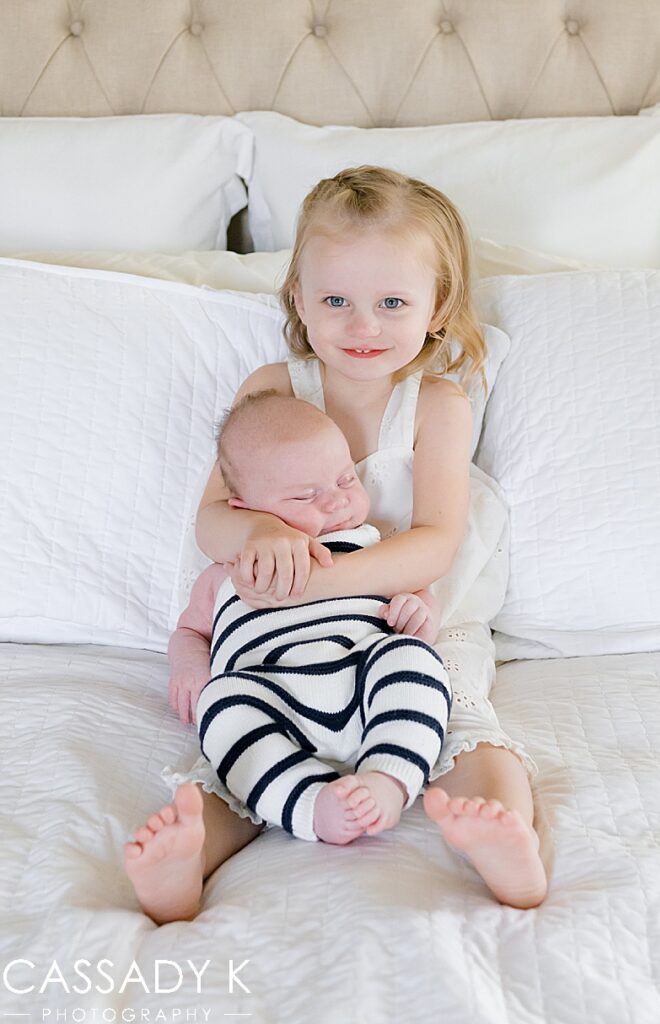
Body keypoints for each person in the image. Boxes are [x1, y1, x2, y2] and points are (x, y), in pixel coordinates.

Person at [124, 165, 548, 924]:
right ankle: (190, 854)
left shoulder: (436, 404)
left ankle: (504, 837)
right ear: (299, 301)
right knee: (236, 741)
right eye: (335, 302)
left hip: (414, 616)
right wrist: (254, 528)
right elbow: (210, 521)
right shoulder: (274, 388)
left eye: (391, 303)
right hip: (286, 631)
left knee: (460, 716)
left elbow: (434, 544)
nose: (363, 327)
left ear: (437, 305)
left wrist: (320, 584)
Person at [166, 389, 454, 847]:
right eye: (306, 496)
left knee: (411, 659)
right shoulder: (226, 573)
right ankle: (309, 804)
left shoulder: (370, 547)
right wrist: (187, 665)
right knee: (222, 706)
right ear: (249, 512)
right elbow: (190, 629)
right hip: (271, 695)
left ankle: (387, 776)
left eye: (345, 480)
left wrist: (420, 612)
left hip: (362, 683)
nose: (338, 503)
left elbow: (418, 593)